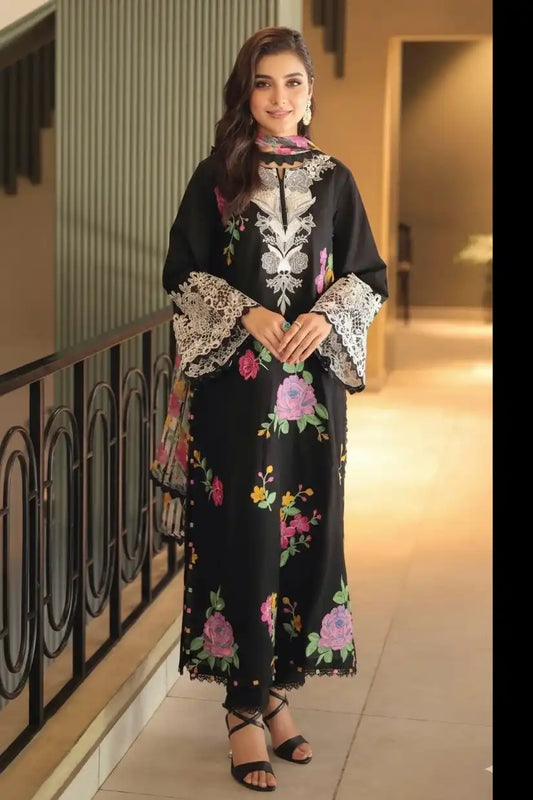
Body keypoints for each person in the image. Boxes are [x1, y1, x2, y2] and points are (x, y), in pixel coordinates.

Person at [151, 26, 388, 793]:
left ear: (310, 91)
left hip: (311, 398)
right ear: (243, 92)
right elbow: (181, 272)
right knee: (243, 536)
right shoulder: (217, 176)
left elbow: (366, 274)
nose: (278, 98)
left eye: (291, 83)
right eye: (262, 83)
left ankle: (280, 696)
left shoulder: (335, 179)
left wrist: (331, 313)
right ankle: (241, 709)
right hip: (236, 397)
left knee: (305, 534)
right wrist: (245, 312)